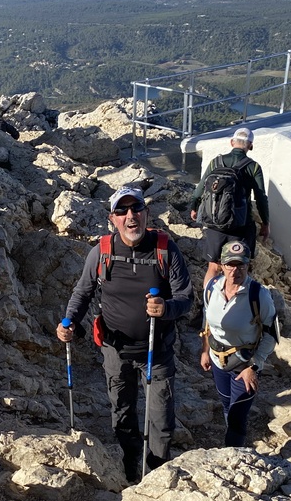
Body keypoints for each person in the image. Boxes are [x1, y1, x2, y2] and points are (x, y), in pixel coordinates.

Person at [56, 186, 193, 482]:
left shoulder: (165, 249)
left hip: (157, 350)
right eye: (122, 211)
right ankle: (132, 464)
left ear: (146, 214)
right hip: (115, 351)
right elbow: (83, 292)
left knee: (161, 420)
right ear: (113, 218)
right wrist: (68, 322)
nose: (130, 216)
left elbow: (186, 297)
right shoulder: (102, 251)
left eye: (136, 209)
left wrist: (165, 308)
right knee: (123, 414)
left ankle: (156, 474)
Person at [199, 241, 278, 447]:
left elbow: (272, 334)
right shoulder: (211, 288)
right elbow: (207, 321)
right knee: (227, 406)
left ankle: (233, 456)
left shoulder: (258, 294)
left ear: (248, 265)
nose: (236, 271)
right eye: (230, 265)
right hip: (218, 360)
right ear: (222, 266)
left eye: (241, 265)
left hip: (244, 363)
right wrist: (205, 351)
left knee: (237, 416)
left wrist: (254, 365)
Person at [190, 127, 270, 291]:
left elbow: (201, 187)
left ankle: (209, 304)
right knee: (238, 268)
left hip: (215, 222)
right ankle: (233, 303)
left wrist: (194, 206)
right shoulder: (253, 167)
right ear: (250, 146)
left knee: (213, 267)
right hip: (240, 225)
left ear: (232, 142)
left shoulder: (216, 162)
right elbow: (261, 197)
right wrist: (265, 222)